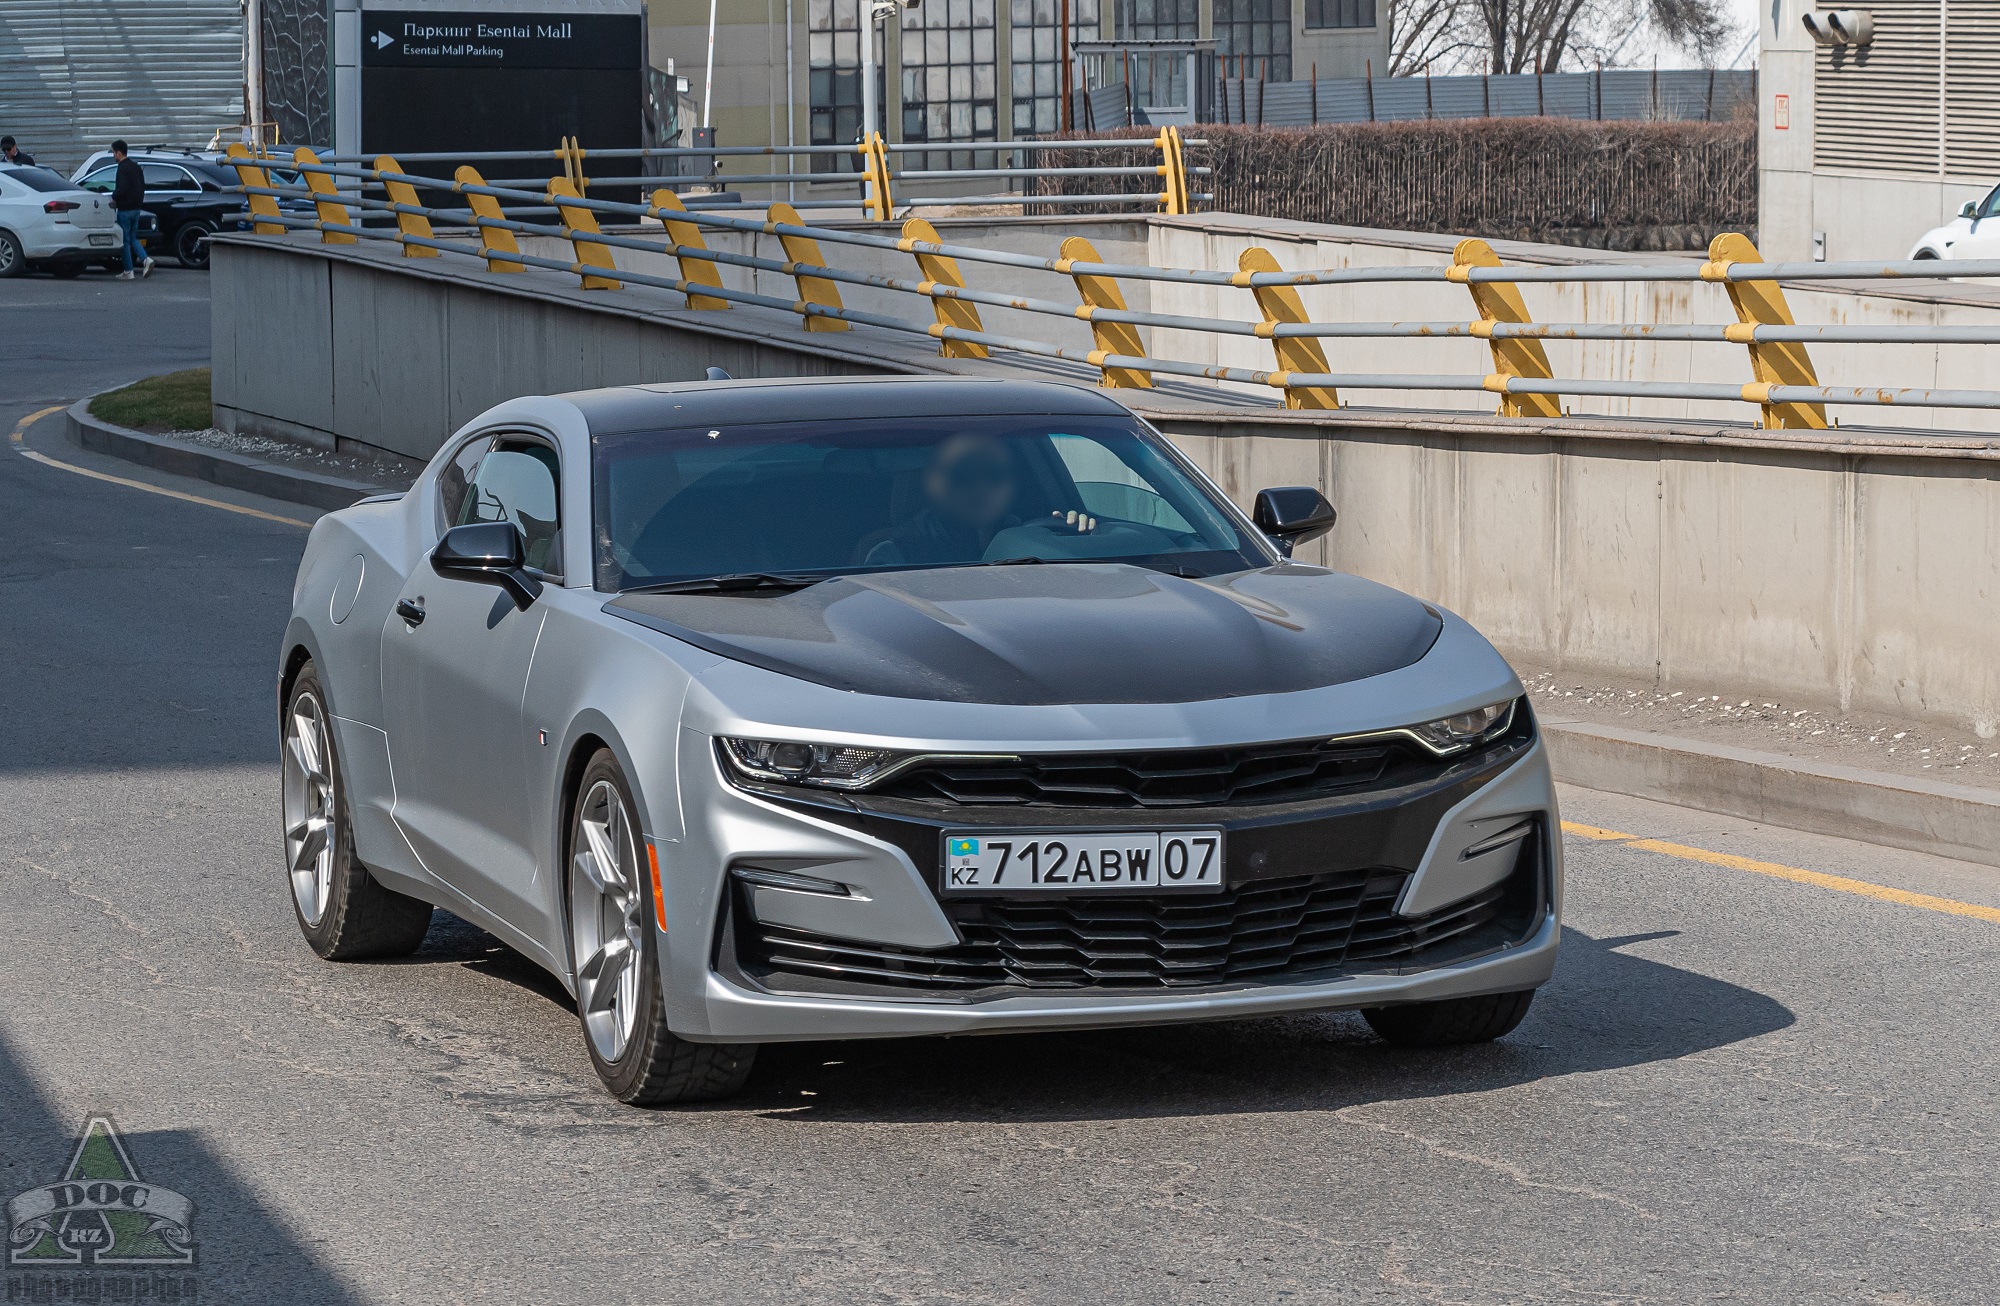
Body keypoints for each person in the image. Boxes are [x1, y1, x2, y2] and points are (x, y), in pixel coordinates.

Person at [864, 433, 1094, 567]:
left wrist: (1072, 539)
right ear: (931, 482)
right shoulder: (895, 553)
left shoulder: (1038, 538)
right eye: (961, 474)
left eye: (994, 474)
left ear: (1013, 482)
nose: (980, 488)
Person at [109, 141, 152, 281]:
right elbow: (142, 186)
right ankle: (145, 259)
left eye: (114, 153)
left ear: (119, 153)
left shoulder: (122, 168)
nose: (113, 156)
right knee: (133, 238)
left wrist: (113, 196)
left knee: (124, 241)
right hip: (136, 209)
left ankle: (129, 270)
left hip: (124, 210)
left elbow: (122, 189)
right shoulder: (136, 167)